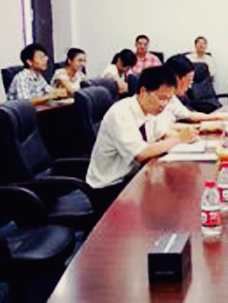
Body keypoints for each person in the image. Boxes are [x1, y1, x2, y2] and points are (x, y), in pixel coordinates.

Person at [85, 66, 199, 212]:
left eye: (168, 100)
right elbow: (141, 153)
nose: (164, 105)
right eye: (161, 98)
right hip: (110, 188)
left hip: (132, 177)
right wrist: (178, 139)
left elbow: (165, 132)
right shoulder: (121, 113)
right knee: (166, 205)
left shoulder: (150, 111)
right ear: (144, 91)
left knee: (178, 193)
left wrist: (188, 136)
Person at [157, 55, 228, 134]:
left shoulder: (172, 97)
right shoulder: (157, 98)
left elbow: (190, 115)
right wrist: (204, 127)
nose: (190, 86)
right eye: (189, 81)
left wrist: (221, 116)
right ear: (176, 78)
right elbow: (166, 127)